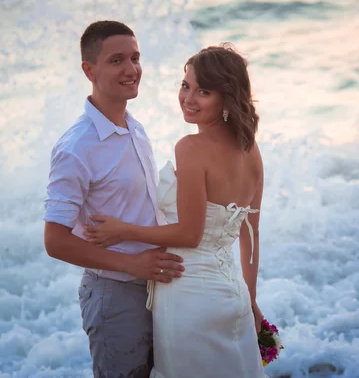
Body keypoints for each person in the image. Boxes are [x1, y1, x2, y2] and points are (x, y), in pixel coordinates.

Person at [84, 44, 267, 378]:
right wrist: (251, 300)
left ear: (227, 97)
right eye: (186, 86)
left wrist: (123, 229)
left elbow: (189, 234)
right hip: (233, 296)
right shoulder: (250, 150)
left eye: (204, 91)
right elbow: (251, 237)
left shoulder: (191, 148)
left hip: (188, 292)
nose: (189, 98)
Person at [43, 20, 185, 378]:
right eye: (117, 60)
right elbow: (55, 241)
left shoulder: (135, 128)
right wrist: (131, 266)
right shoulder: (76, 147)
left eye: (135, 58)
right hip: (115, 296)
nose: (131, 69)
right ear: (88, 70)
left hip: (155, 289)